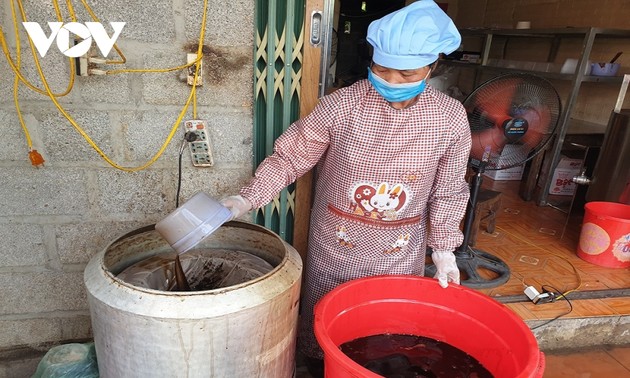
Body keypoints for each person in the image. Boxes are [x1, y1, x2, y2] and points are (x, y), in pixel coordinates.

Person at [222, 1, 470, 375]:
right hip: (335, 246)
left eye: (406, 73)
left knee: (382, 332)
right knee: (323, 333)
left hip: (398, 253)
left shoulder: (450, 118)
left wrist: (444, 249)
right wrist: (246, 198)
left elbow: (449, 189)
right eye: (382, 70)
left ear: (432, 66)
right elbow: (291, 157)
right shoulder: (341, 106)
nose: (392, 81)